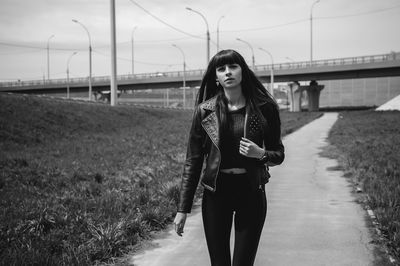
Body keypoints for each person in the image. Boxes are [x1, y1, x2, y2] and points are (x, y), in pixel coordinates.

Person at [173, 49, 285, 266]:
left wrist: (260, 154)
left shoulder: (265, 108)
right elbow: (193, 161)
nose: (228, 72)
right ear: (216, 77)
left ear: (242, 70)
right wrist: (182, 209)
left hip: (251, 192)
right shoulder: (205, 111)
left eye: (233, 66)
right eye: (221, 68)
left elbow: (278, 155)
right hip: (217, 194)